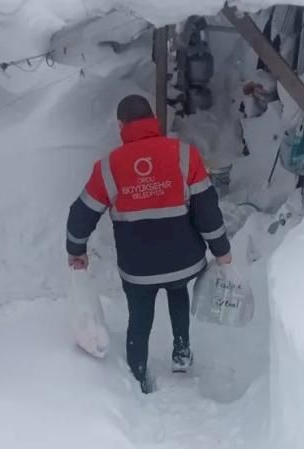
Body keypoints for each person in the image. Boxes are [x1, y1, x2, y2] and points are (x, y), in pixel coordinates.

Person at [66, 95, 232, 393]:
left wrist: (76, 250)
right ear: (152, 119)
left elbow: (82, 214)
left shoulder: (108, 167)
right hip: (183, 260)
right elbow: (207, 209)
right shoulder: (184, 155)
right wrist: (222, 250)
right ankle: (181, 352)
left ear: (121, 125)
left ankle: (138, 374)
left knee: (140, 316)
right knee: (177, 291)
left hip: (137, 267)